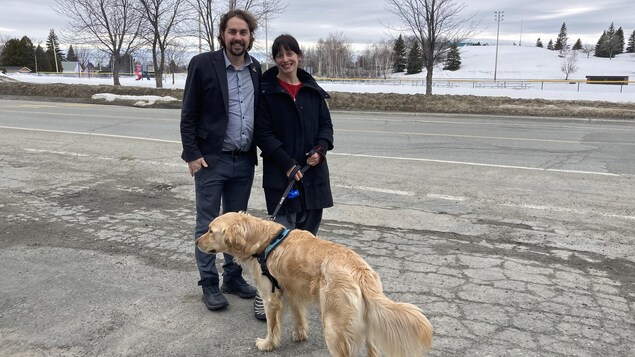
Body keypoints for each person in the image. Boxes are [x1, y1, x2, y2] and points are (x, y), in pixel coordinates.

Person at [180, 9, 261, 312]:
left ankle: (233, 277)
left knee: (236, 226)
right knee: (208, 223)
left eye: (243, 32)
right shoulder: (203, 65)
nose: (238, 38)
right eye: (232, 32)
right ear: (223, 35)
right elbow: (188, 115)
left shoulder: (256, 69)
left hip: (243, 162)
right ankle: (209, 284)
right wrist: (193, 155)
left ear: (250, 36)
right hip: (211, 162)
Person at [253, 33, 334, 320]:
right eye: (279, 55)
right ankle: (266, 294)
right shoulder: (266, 90)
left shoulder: (312, 90)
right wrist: (288, 164)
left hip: (313, 176)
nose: (285, 59)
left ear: (299, 55)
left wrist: (320, 150)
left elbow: (326, 127)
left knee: (307, 242)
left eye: (290, 53)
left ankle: (296, 292)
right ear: (274, 60)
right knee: (277, 244)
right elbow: (262, 133)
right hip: (282, 176)